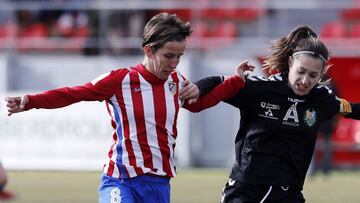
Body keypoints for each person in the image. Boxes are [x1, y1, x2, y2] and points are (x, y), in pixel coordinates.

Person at [5, 12, 254, 203]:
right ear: (148, 50)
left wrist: (236, 81)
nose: (175, 63)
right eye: (169, 56)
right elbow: (73, 94)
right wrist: (31, 101)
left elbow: (199, 104)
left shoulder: (176, 82)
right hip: (120, 179)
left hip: (159, 183)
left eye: (180, 56)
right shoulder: (120, 80)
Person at [195, 25, 360, 202]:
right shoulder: (261, 89)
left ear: (321, 74)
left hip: (288, 192)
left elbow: (351, 109)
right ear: (290, 63)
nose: (305, 81)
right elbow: (217, 81)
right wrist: (195, 89)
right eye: (301, 71)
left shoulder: (322, 99)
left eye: (313, 75)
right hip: (246, 190)